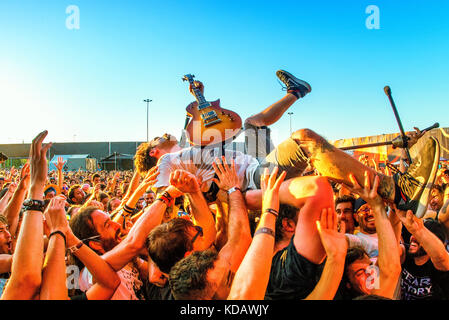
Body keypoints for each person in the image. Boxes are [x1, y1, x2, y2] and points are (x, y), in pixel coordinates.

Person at [168, 158, 253, 299]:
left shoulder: (190, 286)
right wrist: (233, 188)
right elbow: (240, 238)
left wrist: (194, 192)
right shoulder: (214, 276)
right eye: (227, 280)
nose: (200, 230)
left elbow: (228, 234)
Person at [392, 209, 449, 300]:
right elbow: (391, 248)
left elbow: (441, 257)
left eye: (420, 237)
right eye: (413, 233)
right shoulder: (405, 254)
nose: (413, 237)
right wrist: (394, 210)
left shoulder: (440, 266)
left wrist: (419, 231)